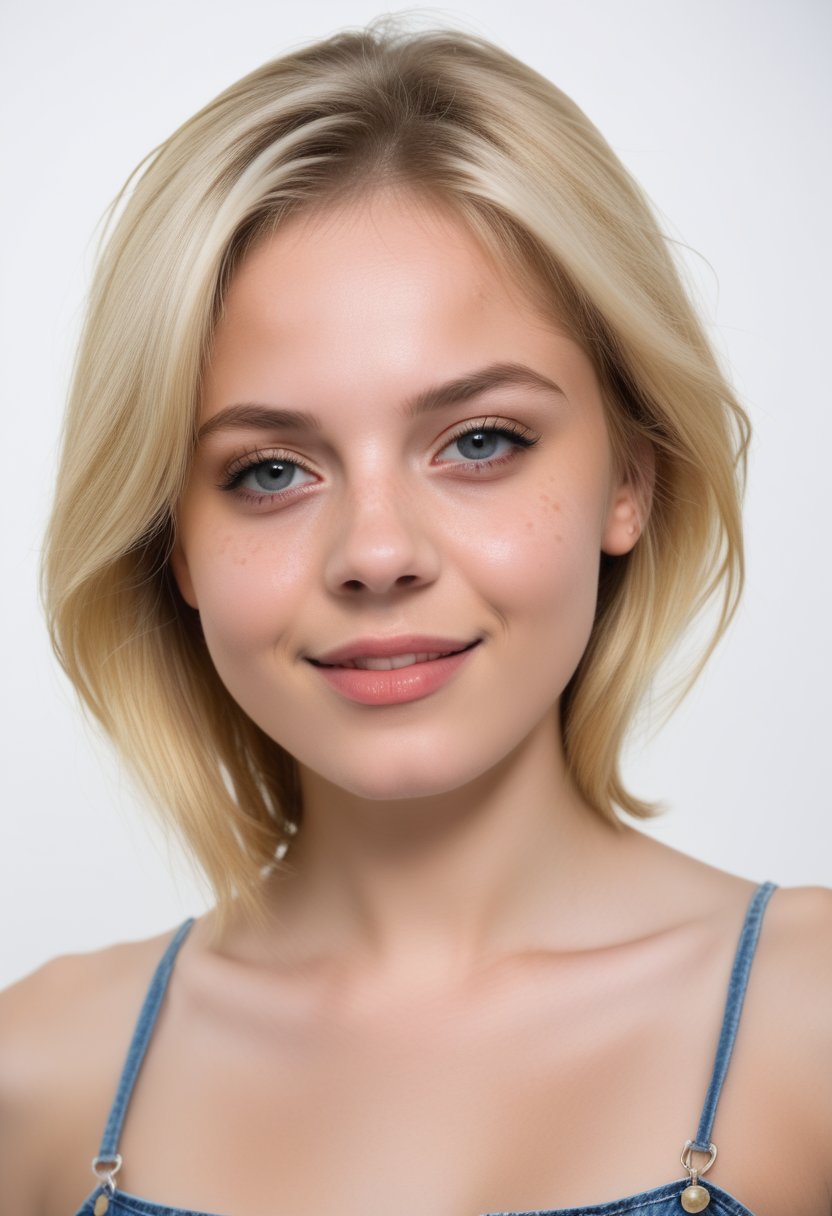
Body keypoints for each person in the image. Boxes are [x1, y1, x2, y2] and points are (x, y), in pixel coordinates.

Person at [0, 21, 829, 1216]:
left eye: (479, 441)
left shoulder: (811, 1028)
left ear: (630, 477)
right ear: (172, 538)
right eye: (270, 470)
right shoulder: (38, 1082)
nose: (377, 553)